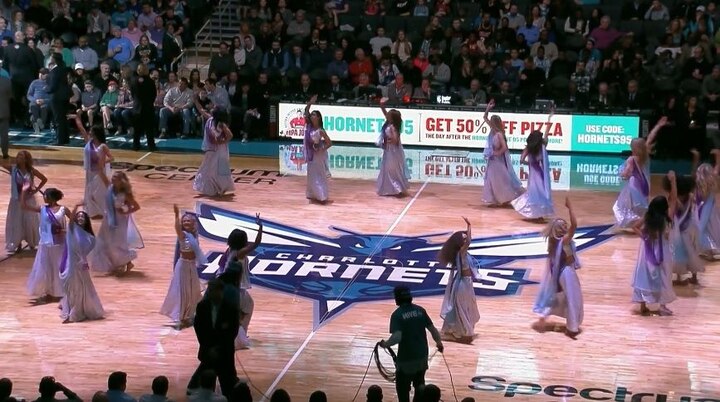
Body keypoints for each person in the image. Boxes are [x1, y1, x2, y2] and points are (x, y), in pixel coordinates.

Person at [380, 286, 444, 402]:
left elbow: (397, 337)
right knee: (419, 384)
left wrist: (386, 344)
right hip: (422, 356)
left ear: (397, 298)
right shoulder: (420, 310)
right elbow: (432, 329)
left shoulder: (397, 315)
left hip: (406, 359)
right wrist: (439, 342)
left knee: (402, 388)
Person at [532, 197, 583, 339]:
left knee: (561, 297)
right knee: (573, 299)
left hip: (563, 273)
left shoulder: (554, 241)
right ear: (560, 230)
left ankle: (544, 316)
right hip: (566, 272)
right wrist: (570, 207)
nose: (567, 227)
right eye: (564, 226)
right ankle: (572, 328)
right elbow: (575, 225)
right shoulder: (564, 240)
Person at [631, 171, 678, 316]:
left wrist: (644, 237)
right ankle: (662, 306)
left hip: (647, 251)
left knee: (644, 275)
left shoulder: (648, 216)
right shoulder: (666, 217)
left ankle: (643, 306)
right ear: (664, 208)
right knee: (663, 276)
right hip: (662, 251)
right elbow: (674, 200)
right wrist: (673, 181)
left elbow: (634, 227)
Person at [187, 280, 240, 398]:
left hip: (224, 353)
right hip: (208, 351)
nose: (210, 293)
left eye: (213, 291)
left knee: (228, 388)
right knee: (205, 390)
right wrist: (208, 347)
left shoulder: (230, 308)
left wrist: (218, 349)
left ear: (221, 291)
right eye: (210, 290)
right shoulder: (202, 306)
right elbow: (199, 329)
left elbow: (233, 332)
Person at [613, 117, 666, 231]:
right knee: (641, 208)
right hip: (645, 187)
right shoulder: (645, 156)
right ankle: (644, 223)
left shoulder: (631, 159)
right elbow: (650, 138)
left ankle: (638, 224)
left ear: (632, 147)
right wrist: (658, 125)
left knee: (621, 207)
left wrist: (621, 174)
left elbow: (626, 174)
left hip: (634, 187)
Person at [21, 183, 71, 303]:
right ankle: (49, 291)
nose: (44, 197)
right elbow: (24, 206)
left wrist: (65, 231)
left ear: (52, 197)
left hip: (59, 244)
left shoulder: (63, 209)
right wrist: (23, 192)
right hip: (45, 244)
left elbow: (75, 222)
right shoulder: (43, 209)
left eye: (46, 195)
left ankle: (59, 291)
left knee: (58, 268)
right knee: (46, 268)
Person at [89, 171, 144, 276]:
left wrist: (126, 211)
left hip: (119, 221)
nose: (112, 178)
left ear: (121, 180)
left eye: (115, 177)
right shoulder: (109, 187)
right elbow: (101, 174)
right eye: (113, 177)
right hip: (107, 220)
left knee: (117, 243)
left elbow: (137, 207)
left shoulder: (125, 194)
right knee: (104, 241)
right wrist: (99, 164)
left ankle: (128, 262)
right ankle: (113, 265)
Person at [160, 205, 205, 329]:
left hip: (191, 266)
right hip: (183, 265)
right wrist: (176, 216)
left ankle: (189, 314)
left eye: (188, 221)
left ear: (193, 223)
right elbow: (177, 228)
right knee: (183, 291)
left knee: (193, 291)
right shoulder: (183, 235)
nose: (185, 222)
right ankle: (180, 315)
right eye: (184, 221)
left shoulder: (194, 236)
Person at [438, 217, 480, 344]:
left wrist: (468, 228)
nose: (466, 239)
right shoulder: (461, 252)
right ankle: (461, 332)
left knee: (464, 307)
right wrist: (469, 225)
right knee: (460, 308)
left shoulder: (461, 253)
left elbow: (468, 241)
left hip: (466, 283)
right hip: (462, 284)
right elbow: (469, 242)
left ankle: (453, 331)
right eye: (464, 238)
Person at [59, 204, 105, 323]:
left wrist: (83, 261)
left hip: (80, 266)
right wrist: (76, 207)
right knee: (71, 288)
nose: (79, 218)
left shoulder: (91, 238)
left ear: (86, 221)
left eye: (82, 217)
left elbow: (87, 253)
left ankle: (74, 313)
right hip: (70, 264)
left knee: (79, 289)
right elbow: (71, 219)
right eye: (78, 216)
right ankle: (70, 308)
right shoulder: (73, 229)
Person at [511, 112, 554, 221]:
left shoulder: (530, 148)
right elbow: (547, 133)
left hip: (534, 174)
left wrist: (530, 164)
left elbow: (521, 160)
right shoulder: (542, 146)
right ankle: (537, 215)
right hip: (539, 173)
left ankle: (537, 214)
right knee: (539, 193)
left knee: (536, 193)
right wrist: (549, 118)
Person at [663, 172, 704, 285]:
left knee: (678, 252)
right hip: (690, 228)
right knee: (691, 251)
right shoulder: (690, 196)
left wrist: (672, 182)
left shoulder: (674, 198)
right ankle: (694, 276)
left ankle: (679, 277)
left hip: (679, 230)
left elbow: (674, 204)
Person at [481, 100, 524, 207]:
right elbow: (484, 118)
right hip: (492, 162)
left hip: (498, 162)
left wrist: (496, 153)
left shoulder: (499, 134)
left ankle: (505, 198)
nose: (490, 123)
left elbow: (505, 148)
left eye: (492, 121)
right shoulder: (493, 130)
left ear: (495, 123)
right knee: (491, 180)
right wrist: (488, 108)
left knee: (500, 180)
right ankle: (495, 199)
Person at [5, 150, 46, 253]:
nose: (19, 158)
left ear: (26, 159)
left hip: (28, 200)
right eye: (18, 156)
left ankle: (31, 241)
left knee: (29, 221)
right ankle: (17, 243)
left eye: (21, 156)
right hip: (16, 200)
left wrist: (35, 190)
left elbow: (44, 179)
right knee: (17, 221)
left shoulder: (31, 170)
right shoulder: (13, 169)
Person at [192, 107, 235, 197]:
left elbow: (230, 135)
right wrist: (195, 101)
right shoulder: (211, 120)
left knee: (214, 170)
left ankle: (217, 188)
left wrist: (221, 142)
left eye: (215, 108)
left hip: (219, 150)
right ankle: (216, 188)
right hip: (213, 149)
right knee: (210, 169)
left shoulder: (221, 124)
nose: (213, 108)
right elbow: (202, 111)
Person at [376, 98, 410, 196]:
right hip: (390, 151)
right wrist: (382, 104)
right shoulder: (390, 123)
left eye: (388, 115)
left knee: (391, 170)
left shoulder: (393, 127)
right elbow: (384, 112)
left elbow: (395, 140)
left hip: (393, 151)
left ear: (392, 118)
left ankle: (397, 189)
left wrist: (386, 141)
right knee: (390, 170)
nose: (386, 116)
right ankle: (395, 189)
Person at [691, 148, 720, 259]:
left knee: (701, 229)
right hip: (710, 211)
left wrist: (696, 158)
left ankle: (709, 249)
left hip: (702, 211)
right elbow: (717, 167)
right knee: (710, 229)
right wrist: (718, 156)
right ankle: (710, 250)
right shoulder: (711, 182)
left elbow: (694, 172)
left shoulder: (700, 185)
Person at [79, 125, 113, 219]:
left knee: (99, 192)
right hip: (90, 172)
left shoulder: (103, 146)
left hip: (99, 172)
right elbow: (82, 130)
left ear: (95, 133)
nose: (89, 132)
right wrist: (77, 118)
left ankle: (103, 211)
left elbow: (111, 158)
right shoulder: (89, 143)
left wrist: (102, 162)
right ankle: (92, 212)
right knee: (89, 191)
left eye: (91, 131)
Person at [304, 95, 332, 203]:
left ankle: (322, 195)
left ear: (318, 117)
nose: (311, 116)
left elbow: (329, 143)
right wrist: (310, 103)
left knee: (318, 174)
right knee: (311, 173)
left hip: (318, 154)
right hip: (311, 154)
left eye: (314, 115)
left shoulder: (321, 130)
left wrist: (321, 149)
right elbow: (306, 111)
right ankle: (312, 193)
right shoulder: (309, 126)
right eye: (311, 115)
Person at [47, 53, 72, 145]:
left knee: (58, 119)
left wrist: (46, 89)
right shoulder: (63, 68)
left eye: (51, 57)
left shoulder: (55, 70)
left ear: (54, 59)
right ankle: (65, 139)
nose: (50, 58)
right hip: (64, 97)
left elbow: (53, 86)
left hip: (57, 97)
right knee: (63, 119)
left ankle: (60, 140)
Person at [131, 64, 157, 151]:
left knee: (137, 130)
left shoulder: (133, 80)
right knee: (149, 129)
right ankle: (151, 146)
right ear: (146, 71)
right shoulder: (151, 81)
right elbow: (154, 94)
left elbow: (132, 94)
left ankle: (136, 145)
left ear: (138, 71)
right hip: (148, 108)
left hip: (137, 108)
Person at [0, 74, 11, 159]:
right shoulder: (6, 80)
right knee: (4, 134)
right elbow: (10, 95)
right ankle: (5, 153)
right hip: (3, 111)